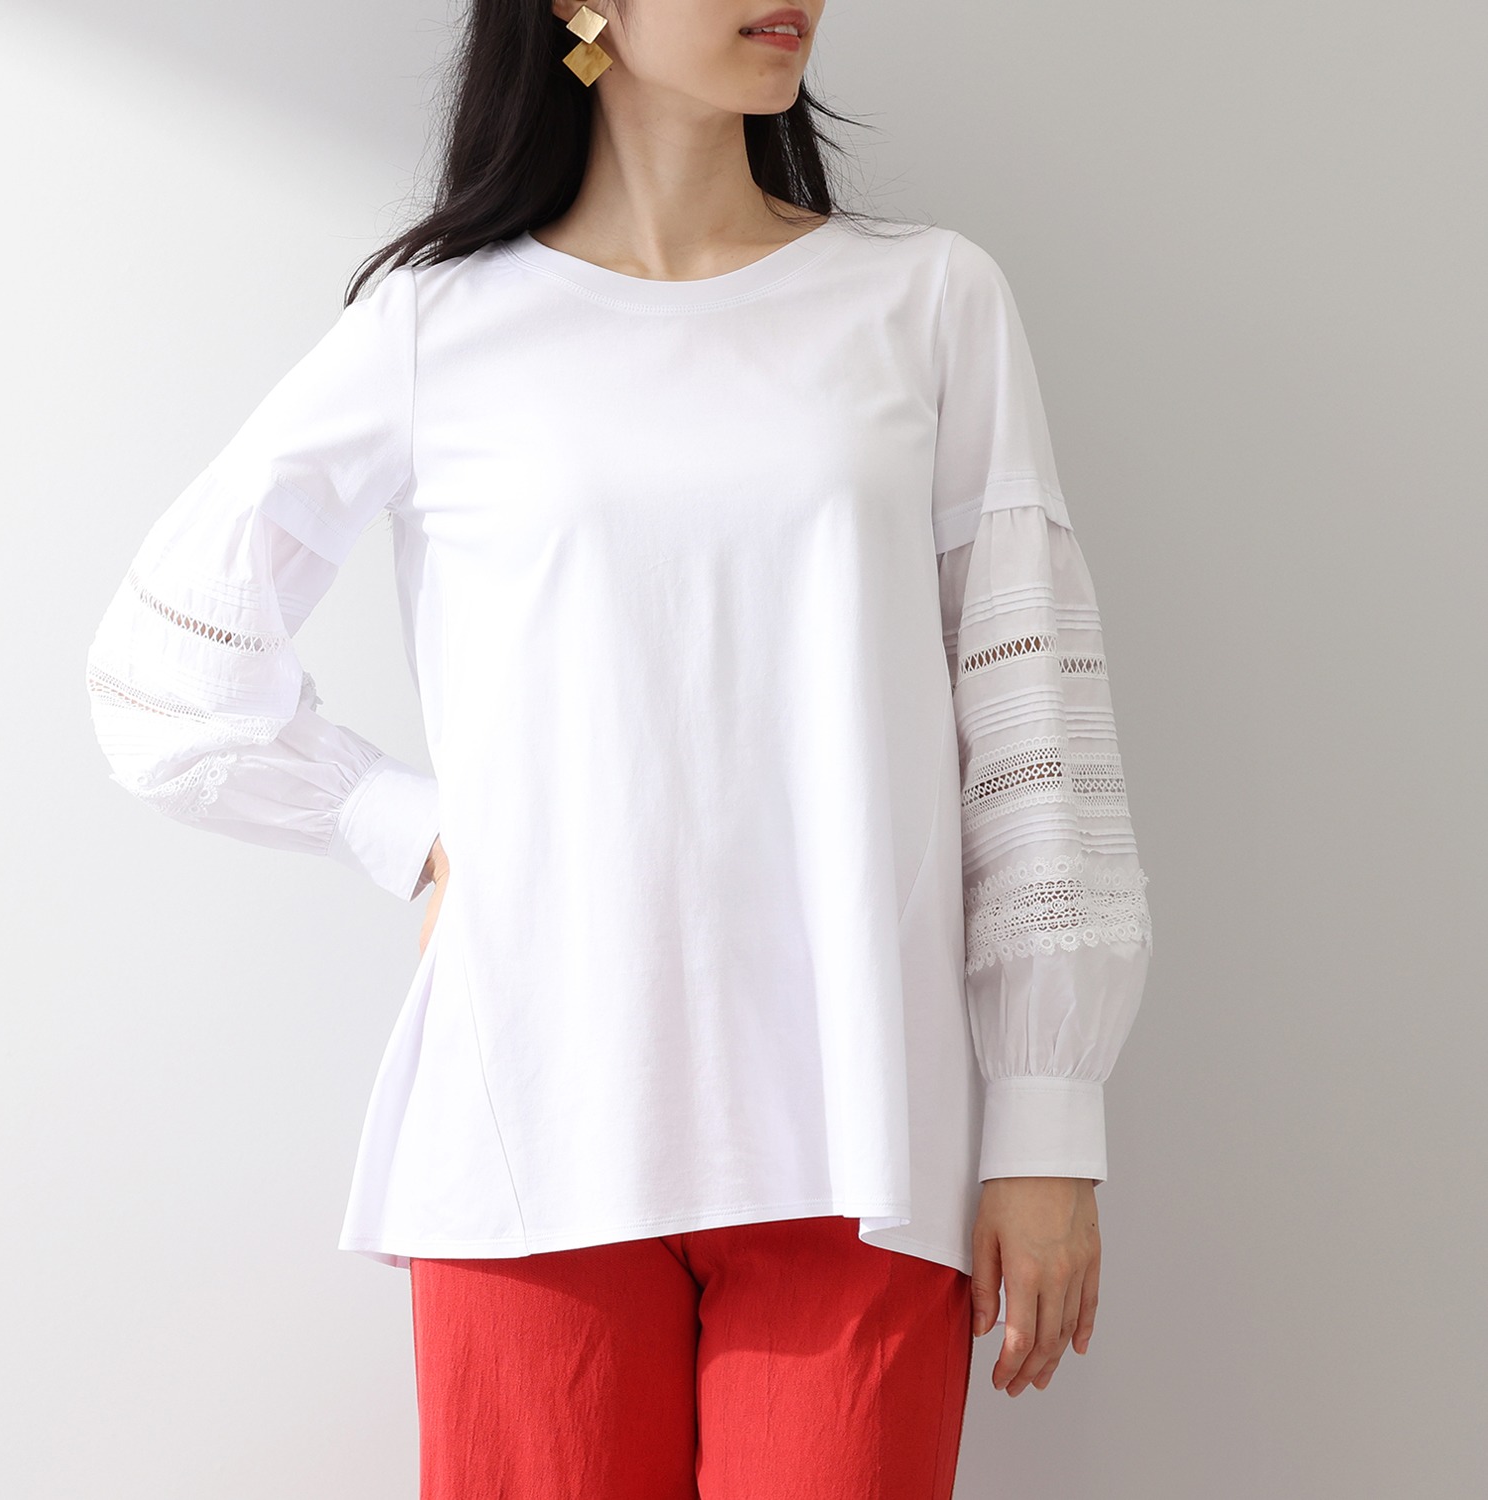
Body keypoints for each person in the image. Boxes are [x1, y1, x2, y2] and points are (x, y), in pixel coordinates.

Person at [83, 2, 1154, 1496]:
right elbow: (165, 671)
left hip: (859, 1131)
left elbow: (1029, 720)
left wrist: (1048, 1118)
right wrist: (409, 830)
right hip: (531, 1135)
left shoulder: (926, 299)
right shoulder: (432, 328)